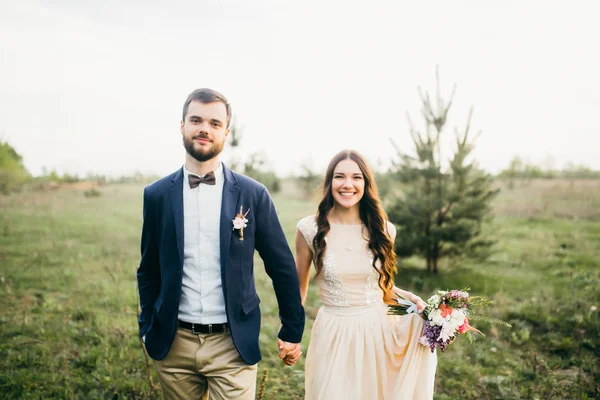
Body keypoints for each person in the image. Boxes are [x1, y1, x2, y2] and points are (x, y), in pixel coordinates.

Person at [137, 88, 305, 400]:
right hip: (174, 345)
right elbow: (148, 270)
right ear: (182, 126)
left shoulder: (253, 195)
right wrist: (147, 325)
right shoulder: (157, 195)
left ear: (226, 132)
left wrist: (292, 328)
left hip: (233, 344)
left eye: (215, 123)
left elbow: (281, 266)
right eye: (196, 120)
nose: (204, 128)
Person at [296, 149, 437, 399]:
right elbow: (299, 289)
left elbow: (382, 289)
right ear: (330, 183)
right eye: (340, 177)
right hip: (334, 332)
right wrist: (290, 333)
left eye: (356, 177)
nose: (347, 184)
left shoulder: (383, 230)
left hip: (377, 330)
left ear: (366, 184)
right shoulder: (309, 229)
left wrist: (412, 301)